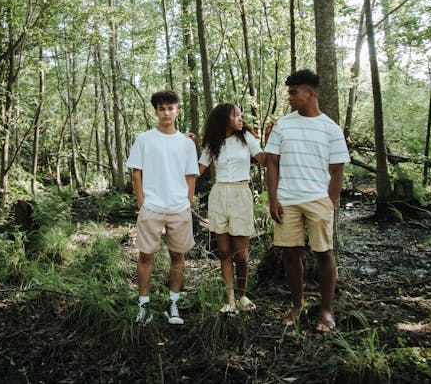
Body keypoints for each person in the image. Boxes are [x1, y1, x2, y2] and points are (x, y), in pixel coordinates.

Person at [265, 69, 350, 333]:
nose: (289, 97)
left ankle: (326, 310)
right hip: (287, 200)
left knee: (324, 253)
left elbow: (337, 170)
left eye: (293, 92)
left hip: (318, 200)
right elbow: (271, 164)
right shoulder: (282, 125)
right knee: (290, 253)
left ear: (310, 93)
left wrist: (329, 202)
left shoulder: (330, 128)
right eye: (289, 92)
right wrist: (273, 199)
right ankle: (297, 305)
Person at [126, 90, 200, 325]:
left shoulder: (186, 143)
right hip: (152, 206)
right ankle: (143, 304)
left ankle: (173, 303)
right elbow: (136, 173)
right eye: (161, 108)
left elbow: (191, 175)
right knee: (146, 255)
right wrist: (142, 203)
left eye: (171, 108)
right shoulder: (145, 139)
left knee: (177, 256)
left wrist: (187, 202)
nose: (166, 113)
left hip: (178, 207)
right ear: (156, 111)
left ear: (177, 110)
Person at [198, 104, 266, 314]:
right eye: (235, 115)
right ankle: (229, 299)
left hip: (241, 193)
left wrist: (272, 140)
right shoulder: (213, 143)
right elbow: (198, 170)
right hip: (219, 195)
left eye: (241, 114)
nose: (240, 118)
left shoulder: (247, 139)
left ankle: (243, 295)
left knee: (241, 254)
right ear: (223, 119)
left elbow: (264, 161)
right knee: (225, 251)